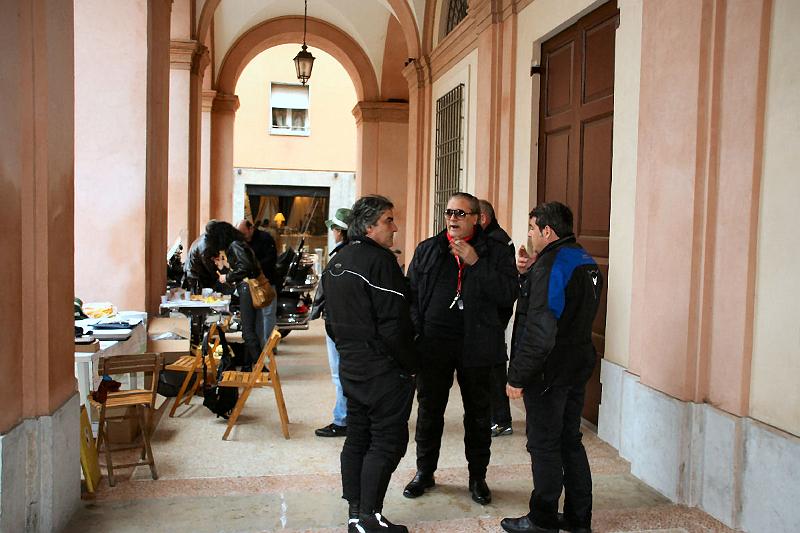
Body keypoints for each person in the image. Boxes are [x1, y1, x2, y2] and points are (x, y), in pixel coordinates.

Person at [403, 192, 518, 505]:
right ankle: (424, 472)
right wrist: (419, 331)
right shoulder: (427, 249)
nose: (452, 218)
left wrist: (476, 263)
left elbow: (508, 294)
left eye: (460, 213)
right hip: (434, 346)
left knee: (478, 416)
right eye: (449, 212)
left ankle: (477, 477)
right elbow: (410, 295)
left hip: (477, 346)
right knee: (429, 411)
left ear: (476, 218)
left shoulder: (494, 251)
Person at [500, 202, 603, 533]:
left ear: (547, 231)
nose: (529, 235)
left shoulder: (552, 266)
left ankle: (542, 520)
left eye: (532, 229)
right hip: (576, 366)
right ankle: (577, 518)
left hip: (549, 372)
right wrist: (531, 272)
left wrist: (517, 376)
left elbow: (541, 331)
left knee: (543, 445)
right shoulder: (583, 259)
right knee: (569, 441)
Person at [322, 195, 418, 533]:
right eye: (388, 220)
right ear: (368, 226)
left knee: (358, 437)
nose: (395, 227)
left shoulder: (337, 260)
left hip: (353, 366)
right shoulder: (380, 262)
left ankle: (356, 514)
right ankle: (369, 516)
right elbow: (395, 324)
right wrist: (410, 365)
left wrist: (351, 352)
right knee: (386, 441)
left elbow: (330, 322)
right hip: (382, 369)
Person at [310, 207, 352, 438]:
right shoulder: (355, 253)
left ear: (338, 231)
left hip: (337, 323)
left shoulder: (341, 257)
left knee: (339, 373)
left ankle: (342, 419)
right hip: (345, 322)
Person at [478, 199, 516, 438]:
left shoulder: (495, 242)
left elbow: (495, 282)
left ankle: (501, 419)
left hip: (492, 315)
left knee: (493, 368)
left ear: (482, 218)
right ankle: (496, 417)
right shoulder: (495, 238)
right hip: (491, 314)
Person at [207, 222, 265, 370]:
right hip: (249, 288)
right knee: (249, 329)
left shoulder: (234, 245)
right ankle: (249, 366)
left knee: (247, 331)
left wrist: (227, 277)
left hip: (246, 289)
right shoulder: (239, 243)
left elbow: (245, 267)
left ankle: (260, 368)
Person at [237, 219, 279, 349]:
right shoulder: (241, 242)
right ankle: (259, 347)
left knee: (268, 314)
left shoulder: (265, 239)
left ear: (251, 229)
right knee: (256, 318)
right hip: (250, 285)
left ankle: (269, 346)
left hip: (266, 282)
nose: (244, 237)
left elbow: (272, 259)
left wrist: (254, 267)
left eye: (244, 234)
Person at [184, 220, 226, 293]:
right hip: (195, 277)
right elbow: (210, 268)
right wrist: (222, 277)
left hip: (200, 274)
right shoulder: (205, 247)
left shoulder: (208, 238)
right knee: (200, 302)